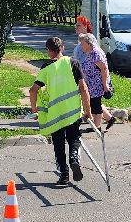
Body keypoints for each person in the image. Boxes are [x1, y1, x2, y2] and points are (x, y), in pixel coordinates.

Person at [28, 36, 93, 188]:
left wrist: (34, 108)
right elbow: (83, 88)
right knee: (74, 138)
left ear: (48, 50)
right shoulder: (73, 63)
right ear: (62, 48)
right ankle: (74, 158)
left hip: (55, 114)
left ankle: (64, 175)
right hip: (72, 111)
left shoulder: (46, 68)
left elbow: (33, 90)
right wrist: (88, 111)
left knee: (58, 144)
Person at [73, 31, 116, 133]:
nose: (81, 46)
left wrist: (105, 85)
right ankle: (107, 120)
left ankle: (97, 127)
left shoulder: (95, 53)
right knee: (94, 104)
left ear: (89, 44)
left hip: (96, 84)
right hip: (91, 84)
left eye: (82, 44)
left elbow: (104, 69)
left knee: (96, 106)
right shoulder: (90, 52)